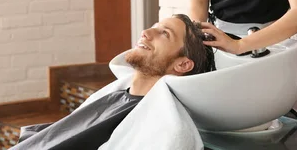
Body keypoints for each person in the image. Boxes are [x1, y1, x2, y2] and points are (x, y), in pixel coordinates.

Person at [11, 14, 214, 150]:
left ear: (182, 65)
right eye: (154, 27)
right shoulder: (116, 95)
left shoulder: (168, 129)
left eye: (164, 33)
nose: (146, 33)